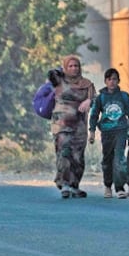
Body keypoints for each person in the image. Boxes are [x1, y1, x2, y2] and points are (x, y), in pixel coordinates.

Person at [52, 55, 95, 198]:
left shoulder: (87, 84)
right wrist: (58, 71)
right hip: (61, 124)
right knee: (64, 152)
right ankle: (64, 184)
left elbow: (95, 98)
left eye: (76, 66)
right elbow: (51, 75)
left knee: (77, 156)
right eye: (70, 66)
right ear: (65, 68)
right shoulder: (59, 80)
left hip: (79, 124)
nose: (74, 68)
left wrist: (89, 101)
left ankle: (74, 185)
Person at [88, 68, 129, 199]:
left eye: (114, 79)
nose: (112, 82)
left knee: (119, 159)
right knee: (107, 160)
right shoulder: (101, 98)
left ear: (118, 81)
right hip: (107, 132)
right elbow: (94, 115)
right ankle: (108, 186)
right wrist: (91, 132)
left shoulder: (124, 96)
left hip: (121, 131)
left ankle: (120, 187)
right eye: (109, 79)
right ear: (105, 81)